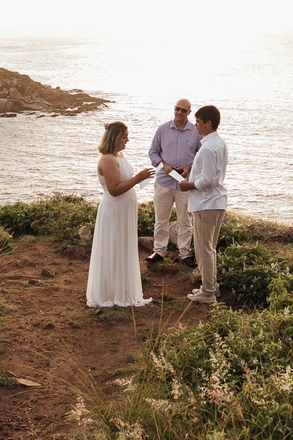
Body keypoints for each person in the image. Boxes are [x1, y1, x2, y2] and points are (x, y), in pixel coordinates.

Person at [86, 121, 155, 308]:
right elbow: (114, 189)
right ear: (116, 137)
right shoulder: (108, 159)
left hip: (124, 211)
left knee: (123, 246)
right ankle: (111, 292)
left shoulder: (119, 155)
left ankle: (123, 289)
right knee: (113, 246)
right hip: (114, 210)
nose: (128, 140)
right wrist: (137, 178)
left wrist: (140, 179)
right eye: (125, 136)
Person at [178, 105, 228, 304]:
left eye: (197, 121)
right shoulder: (219, 143)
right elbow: (213, 176)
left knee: (203, 249)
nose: (195, 125)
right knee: (210, 247)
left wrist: (188, 185)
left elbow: (207, 181)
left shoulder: (207, 147)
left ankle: (207, 292)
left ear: (208, 123)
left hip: (206, 204)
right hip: (216, 202)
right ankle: (211, 286)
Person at [146, 98, 202, 266]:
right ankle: (158, 252)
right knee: (160, 219)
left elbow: (201, 156)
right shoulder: (162, 129)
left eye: (183, 110)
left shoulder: (196, 132)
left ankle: (185, 255)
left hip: (185, 184)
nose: (179, 112)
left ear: (189, 113)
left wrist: (189, 166)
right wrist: (163, 165)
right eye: (177, 109)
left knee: (185, 220)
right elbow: (153, 152)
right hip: (164, 182)